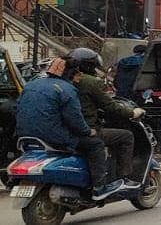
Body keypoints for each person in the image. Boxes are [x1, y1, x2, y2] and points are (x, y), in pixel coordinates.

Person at [15, 56, 124, 200]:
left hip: (25, 135)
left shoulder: (31, 85)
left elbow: (17, 107)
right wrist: (87, 131)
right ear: (70, 73)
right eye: (77, 72)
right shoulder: (67, 89)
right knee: (96, 144)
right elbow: (74, 119)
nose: (80, 75)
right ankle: (99, 188)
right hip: (53, 136)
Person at [69, 48, 145, 190]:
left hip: (63, 130)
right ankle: (123, 178)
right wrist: (132, 113)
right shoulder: (91, 82)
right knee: (126, 136)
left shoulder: (62, 81)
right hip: (86, 130)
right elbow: (110, 106)